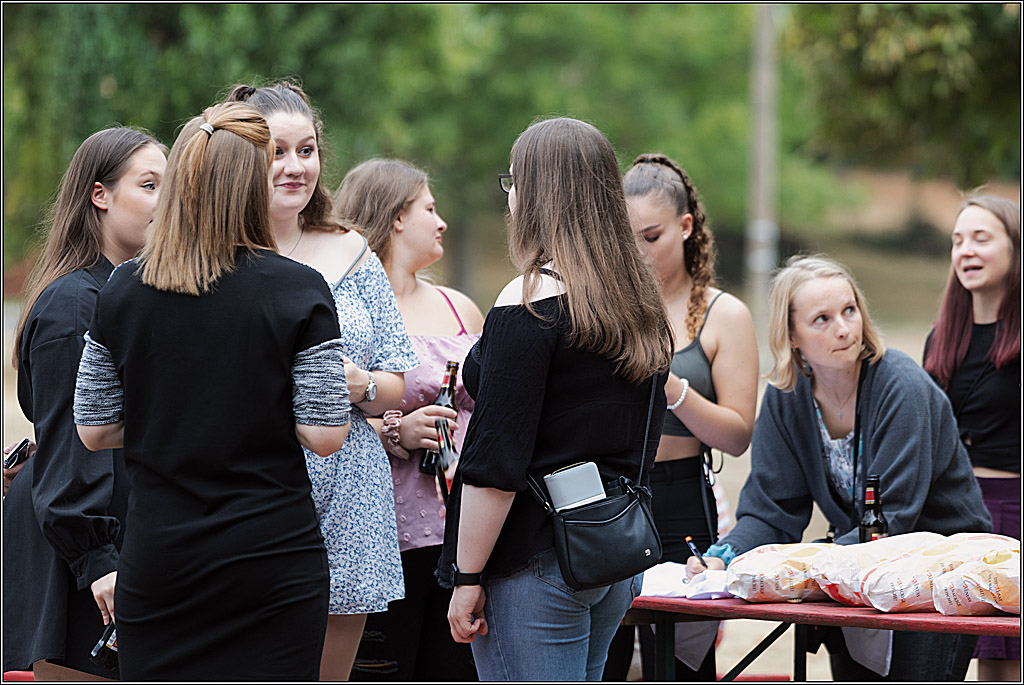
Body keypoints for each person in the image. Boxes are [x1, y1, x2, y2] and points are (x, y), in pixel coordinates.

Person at [71, 102, 351, 680]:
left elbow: (94, 429)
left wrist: (172, 421)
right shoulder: (299, 289)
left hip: (163, 560)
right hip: (271, 559)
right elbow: (325, 435)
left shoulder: (124, 287)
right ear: (253, 187)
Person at [439, 116, 674, 681]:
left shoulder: (532, 302)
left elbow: (496, 466)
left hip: (533, 560)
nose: (510, 196)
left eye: (514, 181)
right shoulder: (635, 303)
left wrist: (467, 577)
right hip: (609, 553)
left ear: (541, 194)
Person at [687, 254, 992, 681]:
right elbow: (771, 510)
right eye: (822, 319)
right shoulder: (785, 397)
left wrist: (812, 564)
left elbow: (892, 519)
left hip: (938, 577)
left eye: (849, 310)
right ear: (792, 335)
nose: (844, 328)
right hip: (857, 572)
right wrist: (725, 558)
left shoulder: (900, 386)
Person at [227, 82, 419, 681]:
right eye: (276, 152)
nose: (294, 167)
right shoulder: (219, 256)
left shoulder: (352, 250)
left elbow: (397, 381)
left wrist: (361, 385)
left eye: (306, 150)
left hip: (350, 484)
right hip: (252, 482)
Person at [3, 127, 166, 681]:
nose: (165, 203)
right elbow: (73, 437)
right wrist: (97, 560)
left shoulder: (123, 291)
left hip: (109, 536)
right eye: (149, 185)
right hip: (81, 552)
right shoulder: (76, 304)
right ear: (100, 195)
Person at [604, 153, 759, 681]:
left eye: (652, 237)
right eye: (628, 241)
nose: (640, 253)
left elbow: (737, 436)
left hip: (681, 495)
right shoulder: (607, 306)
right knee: (605, 656)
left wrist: (670, 386)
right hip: (612, 492)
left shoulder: (723, 314)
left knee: (683, 662)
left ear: (686, 226)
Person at [335, 158, 483, 681]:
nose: (441, 222)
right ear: (396, 216)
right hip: (381, 527)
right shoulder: (348, 308)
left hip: (460, 526)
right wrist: (396, 430)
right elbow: (315, 416)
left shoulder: (460, 306)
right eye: (430, 208)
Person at [923, 195, 1020, 682]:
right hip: (954, 515)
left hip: (1013, 510)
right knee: (949, 662)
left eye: (982, 239)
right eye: (958, 241)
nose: (966, 251)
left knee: (1005, 668)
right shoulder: (942, 335)